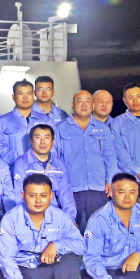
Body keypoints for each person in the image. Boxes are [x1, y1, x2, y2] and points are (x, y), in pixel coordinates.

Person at [0, 173, 84, 279]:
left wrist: (57, 245)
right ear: (23, 196)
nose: (38, 200)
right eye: (32, 195)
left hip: (43, 269)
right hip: (19, 268)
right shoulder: (10, 219)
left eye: (43, 195)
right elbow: (6, 258)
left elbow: (81, 245)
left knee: (71, 259)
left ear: (51, 196)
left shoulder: (60, 217)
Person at [55, 91, 117, 230]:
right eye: (80, 101)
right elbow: (55, 159)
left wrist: (110, 180)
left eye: (88, 101)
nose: (84, 105)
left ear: (93, 105)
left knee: (99, 229)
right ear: (72, 105)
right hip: (71, 190)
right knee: (71, 229)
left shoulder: (103, 129)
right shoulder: (60, 129)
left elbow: (110, 157)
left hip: (98, 188)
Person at [12, 124, 77, 222]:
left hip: (55, 216)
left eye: (46, 138)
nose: (42, 142)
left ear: (53, 142)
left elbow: (66, 195)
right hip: (30, 216)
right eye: (38, 137)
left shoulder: (59, 164)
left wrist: (70, 220)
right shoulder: (22, 163)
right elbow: (18, 196)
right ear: (31, 141)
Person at [0, 80, 49, 163]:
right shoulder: (2, 121)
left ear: (33, 96)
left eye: (29, 93)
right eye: (21, 94)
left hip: (41, 168)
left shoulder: (45, 120)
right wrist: (21, 160)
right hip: (13, 168)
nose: (25, 97)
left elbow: (53, 146)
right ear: (13, 97)